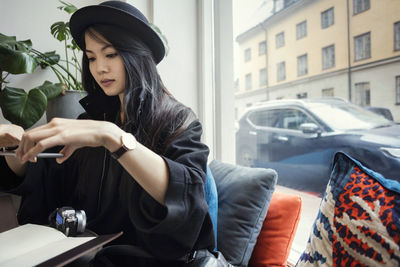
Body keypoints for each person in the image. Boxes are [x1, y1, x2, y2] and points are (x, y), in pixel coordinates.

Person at [0, 1, 229, 266]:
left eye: (110, 54)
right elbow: (49, 179)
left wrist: (110, 136)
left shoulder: (178, 120)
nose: (100, 68)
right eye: (92, 57)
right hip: (87, 255)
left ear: (137, 54)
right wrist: (13, 147)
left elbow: (186, 198)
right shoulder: (90, 121)